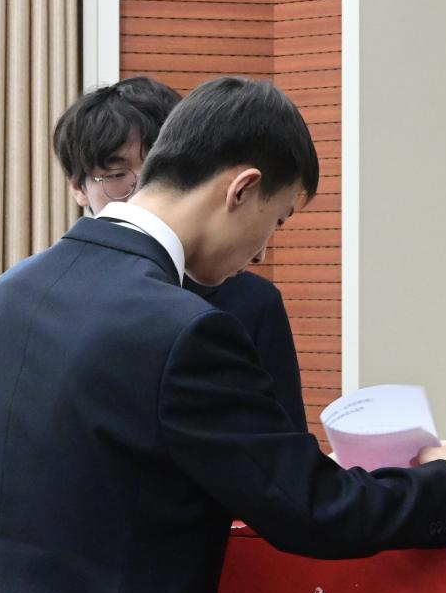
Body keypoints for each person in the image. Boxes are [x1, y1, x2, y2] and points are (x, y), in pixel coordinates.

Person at [0, 76, 446, 593]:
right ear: (240, 189)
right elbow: (308, 508)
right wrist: (442, 480)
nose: (263, 250)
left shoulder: (15, 291)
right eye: (277, 220)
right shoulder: (183, 329)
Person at [52, 76, 307, 429]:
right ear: (77, 187)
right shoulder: (44, 296)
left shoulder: (253, 302)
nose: (141, 190)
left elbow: (283, 442)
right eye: (116, 174)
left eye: (157, 169)